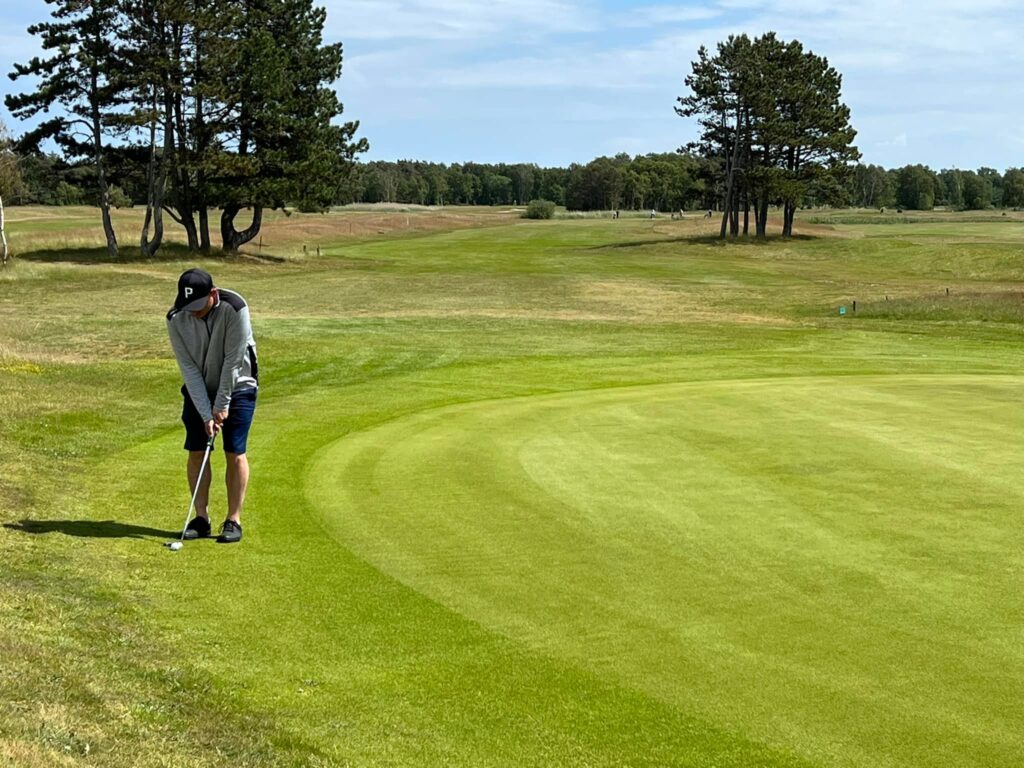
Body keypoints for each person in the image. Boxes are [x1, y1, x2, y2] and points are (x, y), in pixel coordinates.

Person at [167, 268, 258, 544]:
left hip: (239, 385)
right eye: (189, 306)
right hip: (199, 388)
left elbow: (233, 361)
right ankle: (201, 518)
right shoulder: (176, 318)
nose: (194, 313)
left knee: (235, 452)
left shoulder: (235, 308)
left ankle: (233, 519)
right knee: (197, 451)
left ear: (213, 294)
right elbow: (188, 369)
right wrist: (207, 414)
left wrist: (221, 405)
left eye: (199, 306)